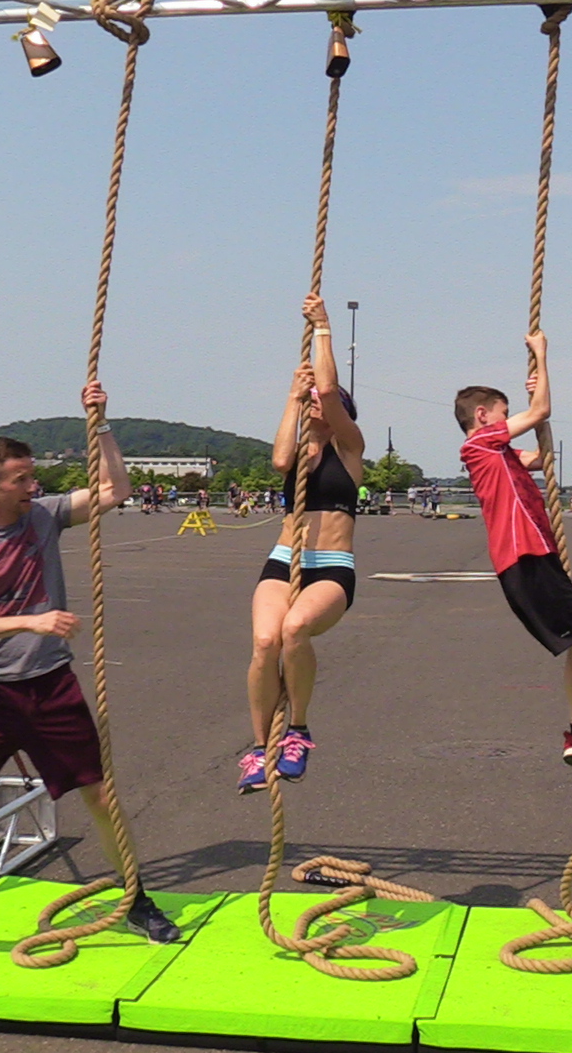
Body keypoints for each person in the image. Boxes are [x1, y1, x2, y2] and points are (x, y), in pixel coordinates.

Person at [0, 379, 178, 970]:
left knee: (100, 797)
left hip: (52, 689)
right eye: (20, 478)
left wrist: (100, 423)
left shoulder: (44, 517)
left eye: (32, 475)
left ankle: (137, 899)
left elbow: (115, 489)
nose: (32, 485)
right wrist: (31, 621)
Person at [453, 332, 572, 774]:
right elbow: (541, 411)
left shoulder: (497, 454)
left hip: (533, 556)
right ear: (483, 417)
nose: (509, 420)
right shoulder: (480, 445)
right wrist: (542, 357)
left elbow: (541, 457)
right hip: (526, 556)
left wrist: (537, 405)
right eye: (504, 415)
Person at [238, 294, 362, 796]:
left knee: (294, 631)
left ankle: (298, 730)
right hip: (285, 558)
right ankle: (258, 746)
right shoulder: (300, 452)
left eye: (321, 405)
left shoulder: (350, 448)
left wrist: (324, 328)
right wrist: (293, 399)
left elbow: (328, 388)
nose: (316, 404)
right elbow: (279, 461)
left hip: (331, 567)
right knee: (265, 642)